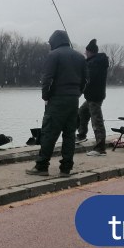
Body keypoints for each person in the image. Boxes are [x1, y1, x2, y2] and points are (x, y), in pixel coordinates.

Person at [27, 30, 87, 177]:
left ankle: (42, 166)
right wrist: (77, 93)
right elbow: (85, 80)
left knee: (49, 133)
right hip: (73, 100)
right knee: (69, 134)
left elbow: (47, 79)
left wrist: (45, 96)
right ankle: (66, 168)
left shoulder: (54, 55)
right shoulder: (80, 57)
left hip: (57, 99)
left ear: (54, 42)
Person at [76, 39, 109, 156]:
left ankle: (100, 148)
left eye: (86, 52)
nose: (85, 53)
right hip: (93, 95)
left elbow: (88, 78)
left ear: (90, 52)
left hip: (94, 96)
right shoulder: (96, 61)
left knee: (97, 121)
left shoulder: (94, 63)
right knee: (82, 112)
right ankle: (81, 135)